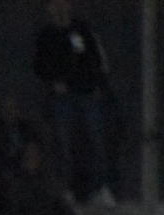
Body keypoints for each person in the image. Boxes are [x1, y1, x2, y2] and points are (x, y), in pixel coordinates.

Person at [33, 0, 114, 203]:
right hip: (62, 98)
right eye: (55, 4)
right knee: (64, 144)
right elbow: (40, 65)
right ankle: (67, 189)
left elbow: (92, 57)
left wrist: (95, 84)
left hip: (86, 93)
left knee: (96, 142)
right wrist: (54, 81)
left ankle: (100, 188)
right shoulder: (47, 35)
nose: (60, 8)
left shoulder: (80, 30)